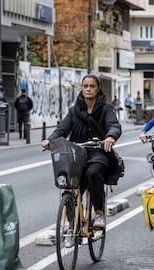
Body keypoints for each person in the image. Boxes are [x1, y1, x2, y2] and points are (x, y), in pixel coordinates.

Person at [41, 74, 121, 246]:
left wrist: (110, 137)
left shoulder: (106, 109)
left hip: (100, 152)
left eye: (92, 86)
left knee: (93, 173)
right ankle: (71, 227)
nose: (89, 89)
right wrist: (50, 139)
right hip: (78, 152)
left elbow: (114, 125)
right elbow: (62, 129)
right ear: (82, 88)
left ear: (98, 88)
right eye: (85, 86)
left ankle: (99, 212)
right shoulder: (75, 109)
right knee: (70, 186)